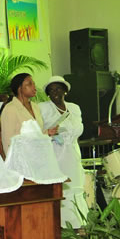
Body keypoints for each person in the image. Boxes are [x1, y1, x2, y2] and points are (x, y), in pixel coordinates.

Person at [39, 76, 87, 227]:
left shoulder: (74, 108)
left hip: (73, 153)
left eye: (58, 88)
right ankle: (62, 227)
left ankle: (79, 225)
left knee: (76, 187)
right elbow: (40, 129)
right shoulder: (42, 107)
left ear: (65, 91)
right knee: (62, 190)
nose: (55, 92)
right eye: (51, 90)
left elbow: (78, 128)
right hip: (55, 154)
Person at [0, 73, 58, 154]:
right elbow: (7, 141)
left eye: (34, 83)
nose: (34, 87)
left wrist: (47, 133)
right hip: (22, 158)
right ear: (19, 88)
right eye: (29, 84)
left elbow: (37, 134)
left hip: (39, 156)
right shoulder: (10, 109)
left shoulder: (35, 107)